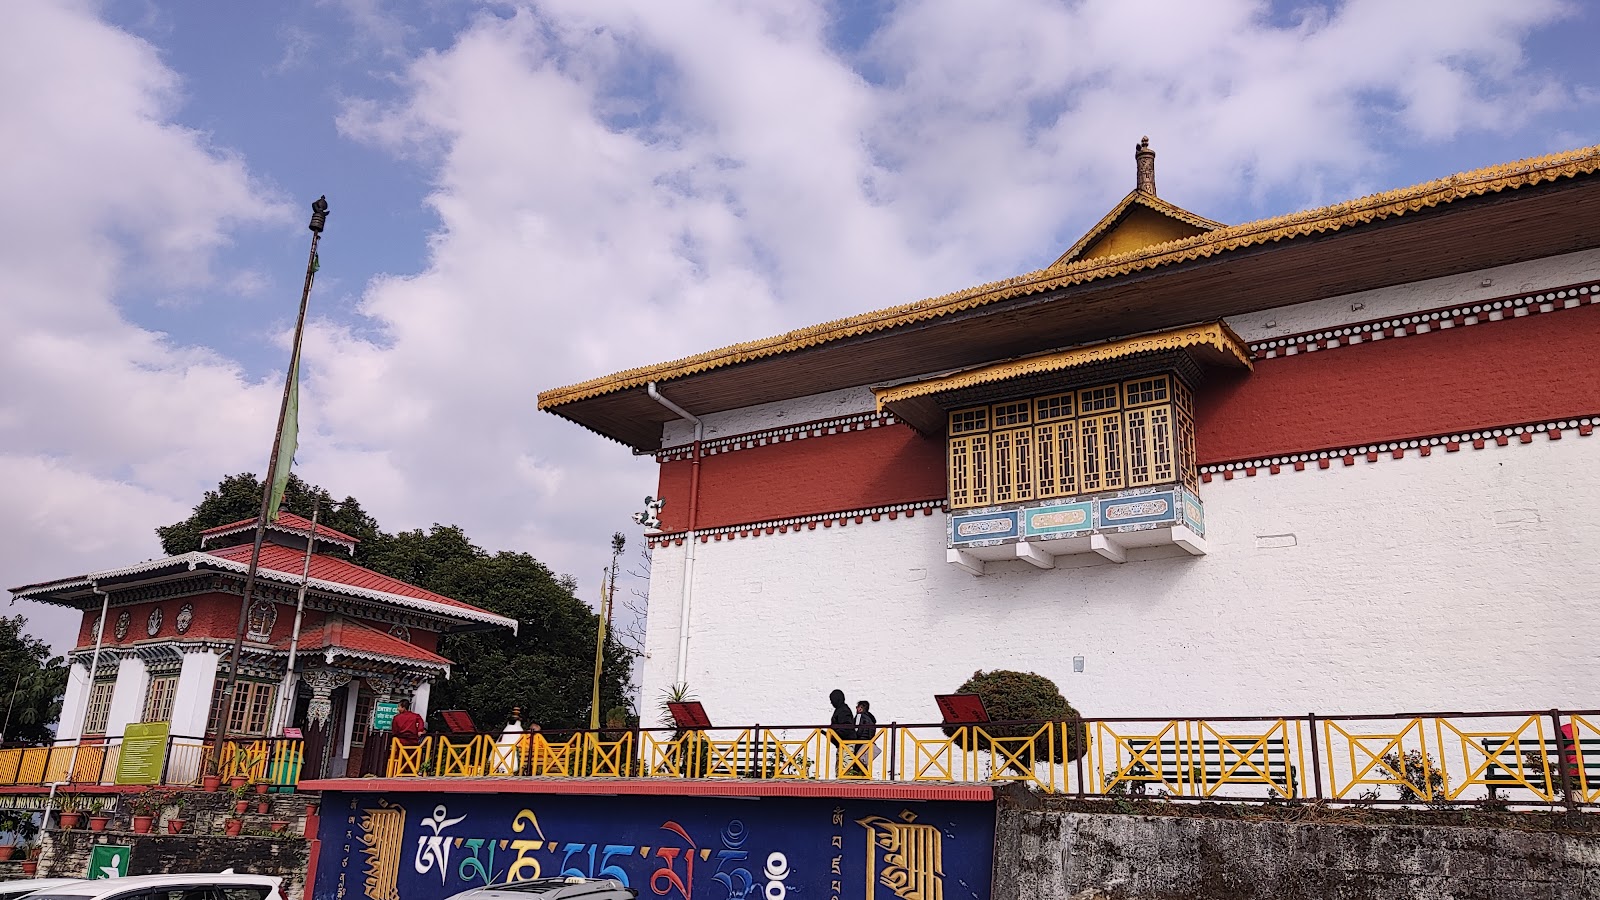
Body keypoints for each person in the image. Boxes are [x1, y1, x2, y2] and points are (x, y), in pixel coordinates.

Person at [855, 700, 879, 773]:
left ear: (860, 708)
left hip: (860, 741)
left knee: (856, 760)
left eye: (857, 707)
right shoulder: (871, 718)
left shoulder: (860, 716)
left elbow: (857, 729)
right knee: (863, 761)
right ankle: (865, 776)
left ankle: (859, 776)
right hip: (868, 741)